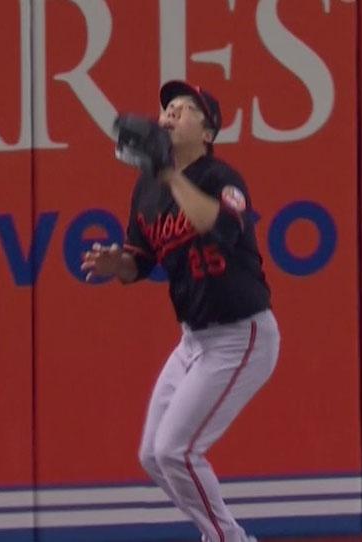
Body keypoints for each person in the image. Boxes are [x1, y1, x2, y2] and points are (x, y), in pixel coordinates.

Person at [81, 80, 278, 542]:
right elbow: (139, 264)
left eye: (183, 110)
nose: (168, 116)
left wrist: (170, 174)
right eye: (166, 109)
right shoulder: (147, 190)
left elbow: (220, 224)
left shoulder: (220, 177)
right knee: (154, 454)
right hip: (195, 340)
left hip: (242, 333)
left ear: (207, 132)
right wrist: (118, 265)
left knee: (177, 451)